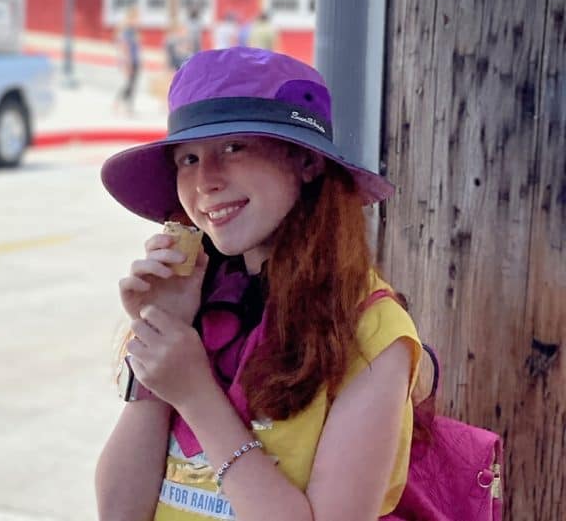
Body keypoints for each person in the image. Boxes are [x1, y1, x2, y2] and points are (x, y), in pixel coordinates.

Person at [95, 47, 422, 521]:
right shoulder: (195, 297)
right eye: (188, 158)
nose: (205, 181)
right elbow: (119, 512)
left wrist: (195, 394)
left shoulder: (371, 330)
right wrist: (159, 335)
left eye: (233, 148)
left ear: (305, 163)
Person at [114, 8, 142, 116]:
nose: (138, 21)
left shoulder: (134, 31)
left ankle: (121, 103)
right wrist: (128, 64)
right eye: (136, 18)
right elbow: (125, 48)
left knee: (132, 84)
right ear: (131, 19)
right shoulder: (127, 31)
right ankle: (125, 105)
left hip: (135, 60)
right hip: (129, 62)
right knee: (130, 84)